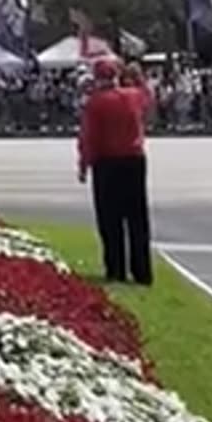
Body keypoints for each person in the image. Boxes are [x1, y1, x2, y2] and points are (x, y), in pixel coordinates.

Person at [77, 58, 153, 286]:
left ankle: (116, 269)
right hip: (134, 160)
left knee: (110, 220)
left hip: (107, 162)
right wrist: (137, 76)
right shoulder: (133, 96)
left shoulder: (95, 103)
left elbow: (89, 138)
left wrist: (84, 165)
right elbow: (148, 97)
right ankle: (142, 272)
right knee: (137, 219)